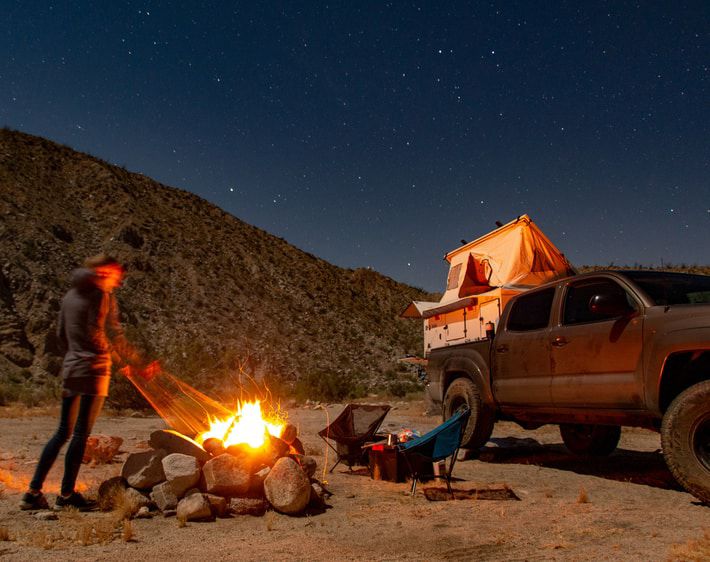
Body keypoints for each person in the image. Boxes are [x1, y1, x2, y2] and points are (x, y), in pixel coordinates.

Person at [20, 254, 137, 511]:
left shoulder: (70, 296)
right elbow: (101, 333)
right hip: (93, 369)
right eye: (117, 274)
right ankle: (66, 495)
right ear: (105, 271)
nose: (119, 279)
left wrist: (75, 353)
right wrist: (122, 359)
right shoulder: (99, 294)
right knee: (81, 433)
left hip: (71, 367)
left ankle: (32, 492)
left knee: (63, 432)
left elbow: (61, 334)